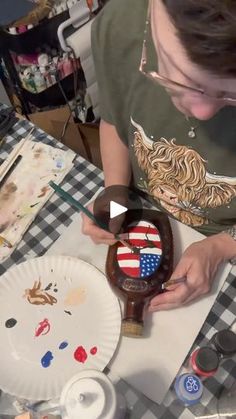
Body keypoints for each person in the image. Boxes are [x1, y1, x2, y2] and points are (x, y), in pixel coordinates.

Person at [82, 0, 236, 311]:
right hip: (145, 214)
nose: (202, 112)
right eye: (178, 78)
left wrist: (223, 245)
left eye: (230, 94)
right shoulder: (120, 24)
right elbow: (115, 118)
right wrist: (115, 188)